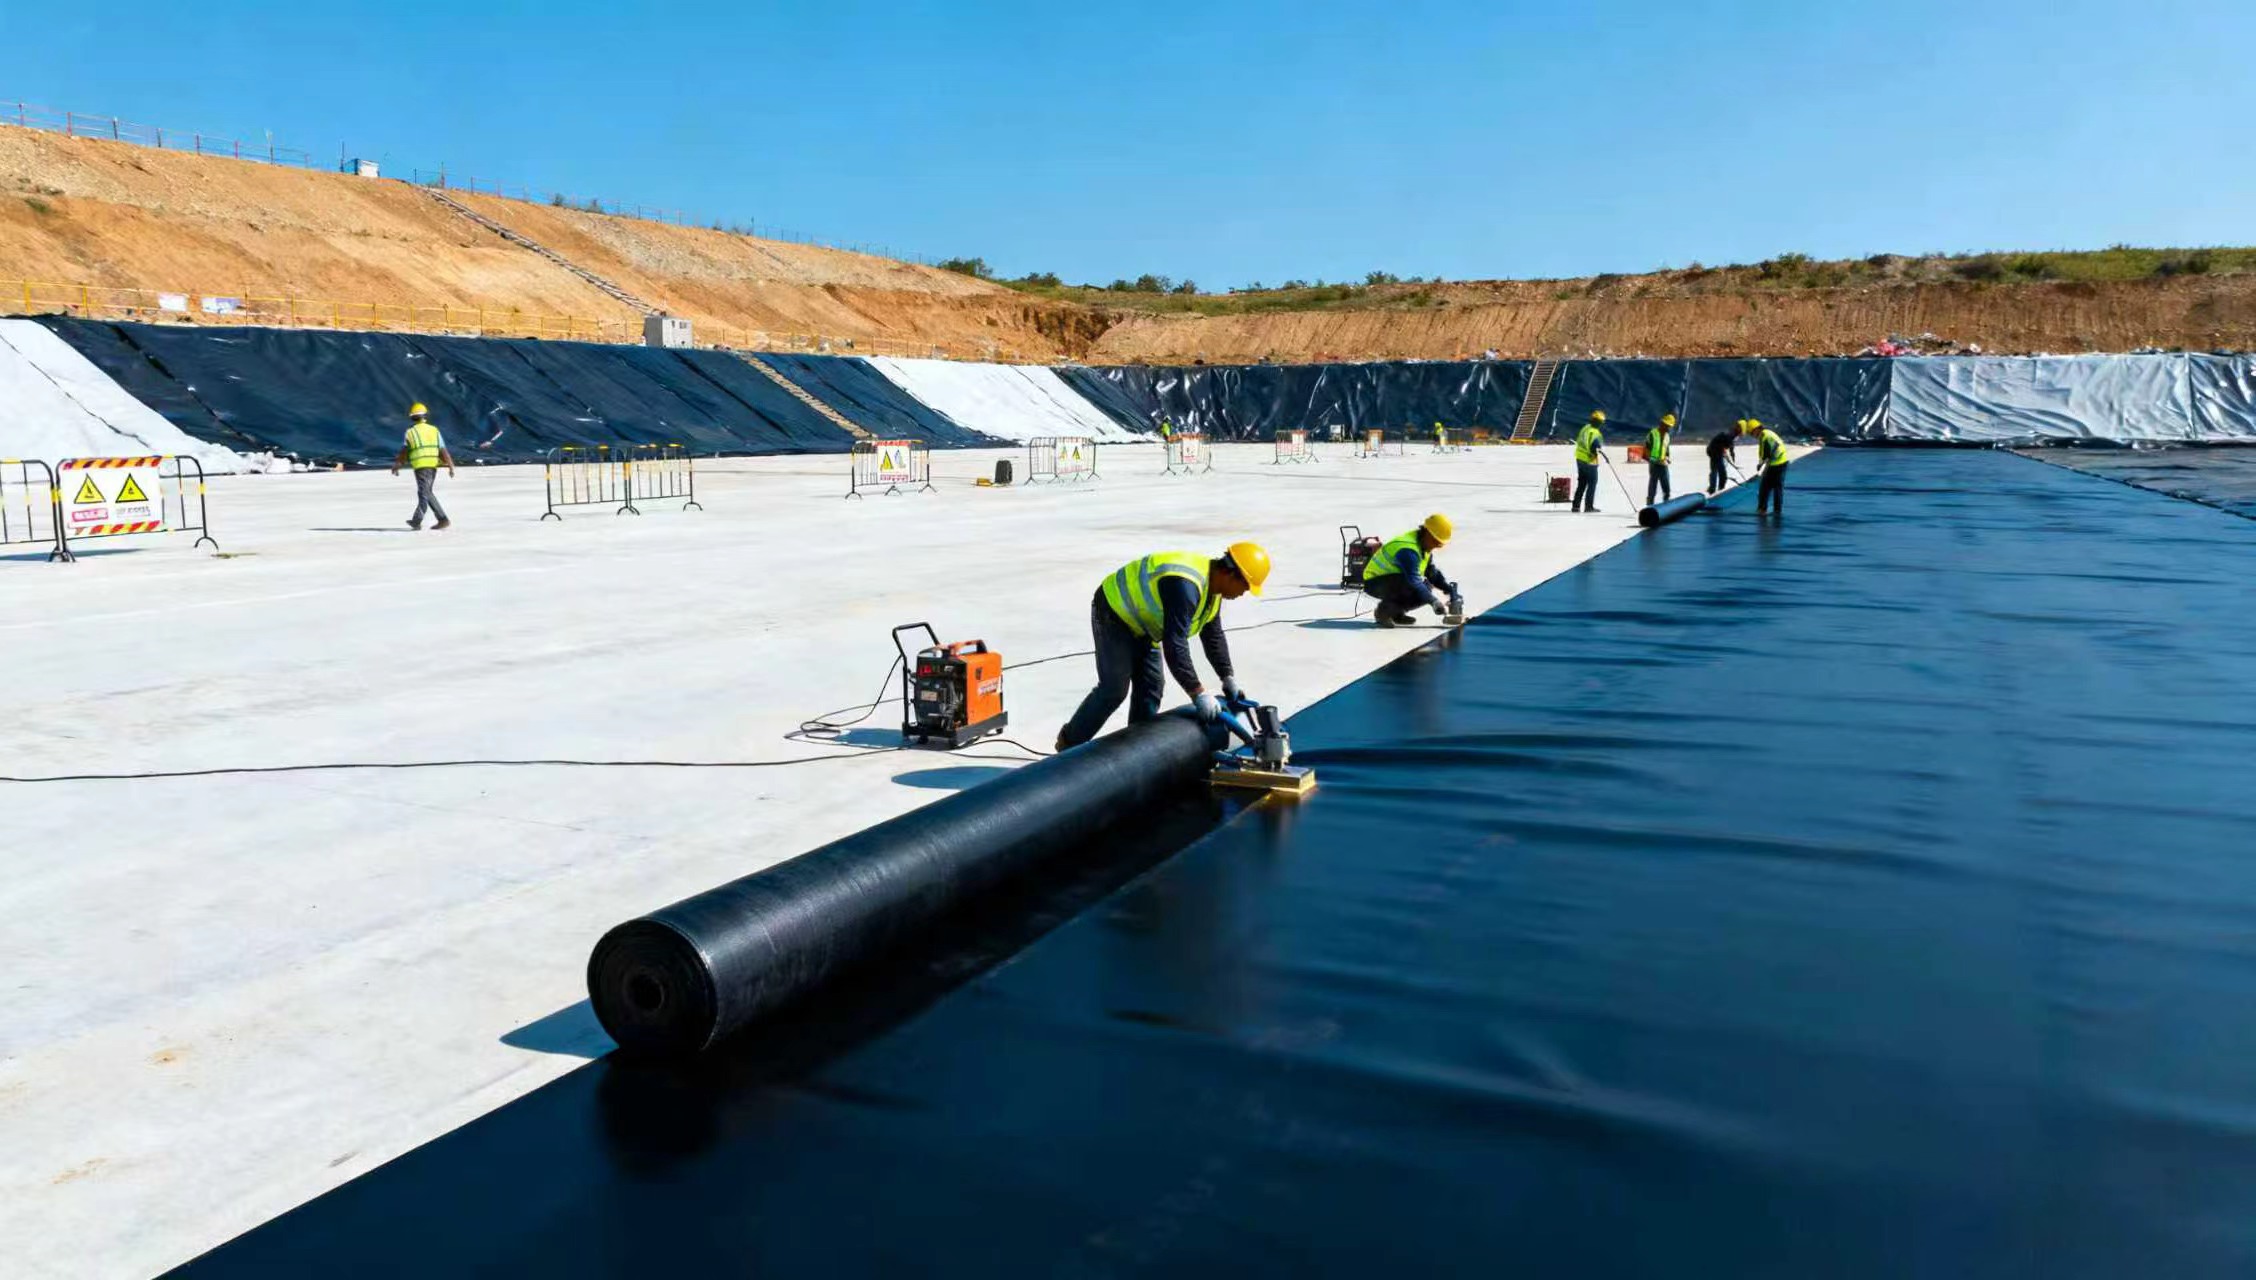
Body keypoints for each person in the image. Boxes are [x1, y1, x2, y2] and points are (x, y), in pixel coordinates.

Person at [1056, 541, 1272, 751]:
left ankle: (1135, 751)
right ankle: (1068, 744)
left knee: (1151, 688)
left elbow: (1213, 635)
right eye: (1244, 587)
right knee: (1114, 689)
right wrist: (1198, 693)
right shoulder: (1185, 586)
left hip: (1145, 624)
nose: (1243, 594)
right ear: (1230, 574)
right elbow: (1175, 645)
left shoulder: (1213, 590)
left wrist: (1227, 677)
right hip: (1115, 613)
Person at [1361, 513, 1460, 628]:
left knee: (1426, 587)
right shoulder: (1408, 550)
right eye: (1435, 541)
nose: (1436, 546)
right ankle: (1383, 612)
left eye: (1439, 544)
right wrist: (1434, 602)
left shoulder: (1423, 546)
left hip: (1392, 580)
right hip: (1375, 581)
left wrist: (1449, 590)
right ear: (1427, 533)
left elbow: (1432, 573)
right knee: (1414, 586)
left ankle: (1396, 613)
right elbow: (1414, 581)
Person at [391, 403, 455, 530]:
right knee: (427, 492)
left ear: (412, 417)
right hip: (432, 465)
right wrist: (450, 465)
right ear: (425, 416)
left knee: (423, 493)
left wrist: (398, 465)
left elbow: (404, 451)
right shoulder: (434, 430)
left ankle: (417, 520)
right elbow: (443, 450)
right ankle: (443, 519)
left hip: (421, 466)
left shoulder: (410, 432)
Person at [1744, 418, 1791, 516]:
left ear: (1756, 429)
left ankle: (1762, 509)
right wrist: (1762, 462)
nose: (1753, 436)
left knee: (1765, 487)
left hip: (1776, 464)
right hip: (1783, 461)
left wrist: (1760, 464)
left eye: (1752, 433)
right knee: (1778, 487)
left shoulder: (1764, 436)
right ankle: (1777, 511)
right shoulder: (1768, 433)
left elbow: (1765, 452)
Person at [1571, 410, 1608, 512]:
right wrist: (1599, 452)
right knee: (1592, 483)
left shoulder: (1585, 428)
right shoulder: (1595, 433)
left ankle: (1576, 505)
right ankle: (1589, 506)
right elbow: (1594, 448)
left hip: (1580, 458)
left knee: (1582, 483)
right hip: (1589, 460)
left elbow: (1580, 441)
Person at [1645, 413, 1676, 505]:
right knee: (1653, 487)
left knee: (1666, 487)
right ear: (1662, 423)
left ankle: (1666, 504)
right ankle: (1650, 505)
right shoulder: (1652, 434)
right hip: (1654, 464)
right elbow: (1646, 448)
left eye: (1669, 426)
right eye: (1667, 425)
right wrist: (1651, 459)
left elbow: (1666, 449)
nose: (1668, 428)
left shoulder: (1667, 436)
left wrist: (1667, 457)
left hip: (1663, 464)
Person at [1707, 422, 1741, 495]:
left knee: (1719, 471)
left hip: (1715, 451)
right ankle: (1713, 489)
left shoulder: (1732, 433)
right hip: (1714, 452)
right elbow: (1727, 444)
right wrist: (1725, 452)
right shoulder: (1730, 434)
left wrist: (1731, 454)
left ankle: (1719, 488)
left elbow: (1730, 445)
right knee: (1716, 471)